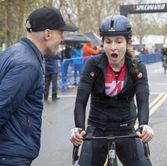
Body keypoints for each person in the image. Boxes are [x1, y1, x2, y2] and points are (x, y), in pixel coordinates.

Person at [70, 15, 153, 166]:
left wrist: (144, 125)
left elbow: (142, 98)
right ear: (102, 43)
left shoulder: (137, 66)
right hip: (97, 128)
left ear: (128, 42)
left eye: (118, 41)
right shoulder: (93, 65)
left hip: (125, 128)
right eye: (108, 42)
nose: (113, 47)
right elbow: (81, 100)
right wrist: (79, 129)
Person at [0, 6, 77, 166]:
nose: (62, 39)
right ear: (48, 34)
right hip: (11, 155)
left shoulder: (13, 52)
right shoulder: (27, 64)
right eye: (61, 33)